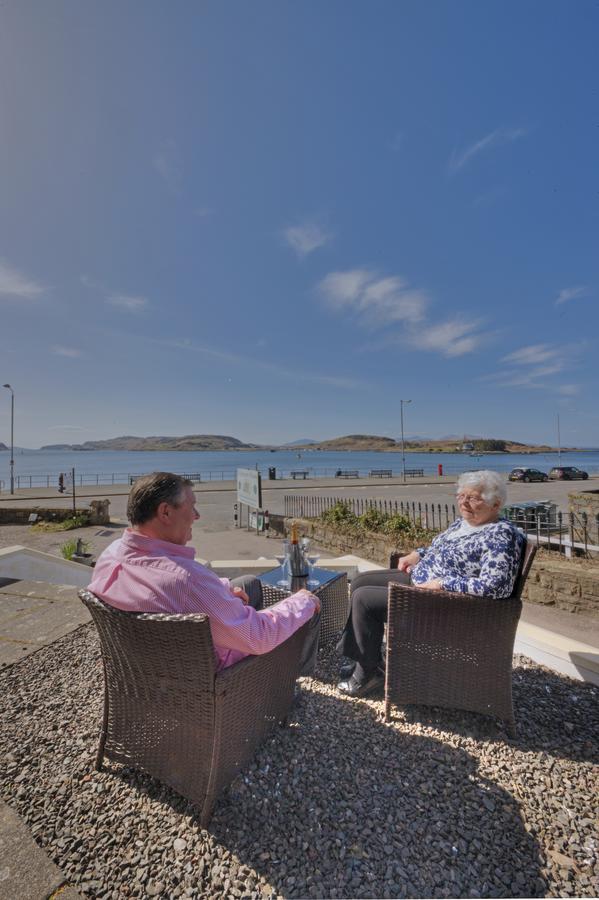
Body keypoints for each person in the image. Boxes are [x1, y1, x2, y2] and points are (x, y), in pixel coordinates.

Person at [89, 472, 321, 675]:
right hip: (211, 679)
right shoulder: (185, 579)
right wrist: (303, 600)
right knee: (305, 607)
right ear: (165, 512)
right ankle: (289, 685)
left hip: (143, 666)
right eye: (192, 507)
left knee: (249, 583)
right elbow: (258, 636)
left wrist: (223, 590)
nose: (197, 516)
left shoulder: (110, 555)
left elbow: (166, 591)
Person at [336, 470, 524, 698]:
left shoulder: (501, 536)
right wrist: (418, 554)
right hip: (423, 581)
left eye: (473, 498)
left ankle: (367, 674)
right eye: (461, 495)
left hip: (443, 603)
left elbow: (497, 586)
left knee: (364, 600)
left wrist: (444, 583)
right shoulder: (465, 523)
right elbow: (442, 549)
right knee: (359, 582)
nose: (464, 502)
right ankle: (367, 659)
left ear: (496, 504)